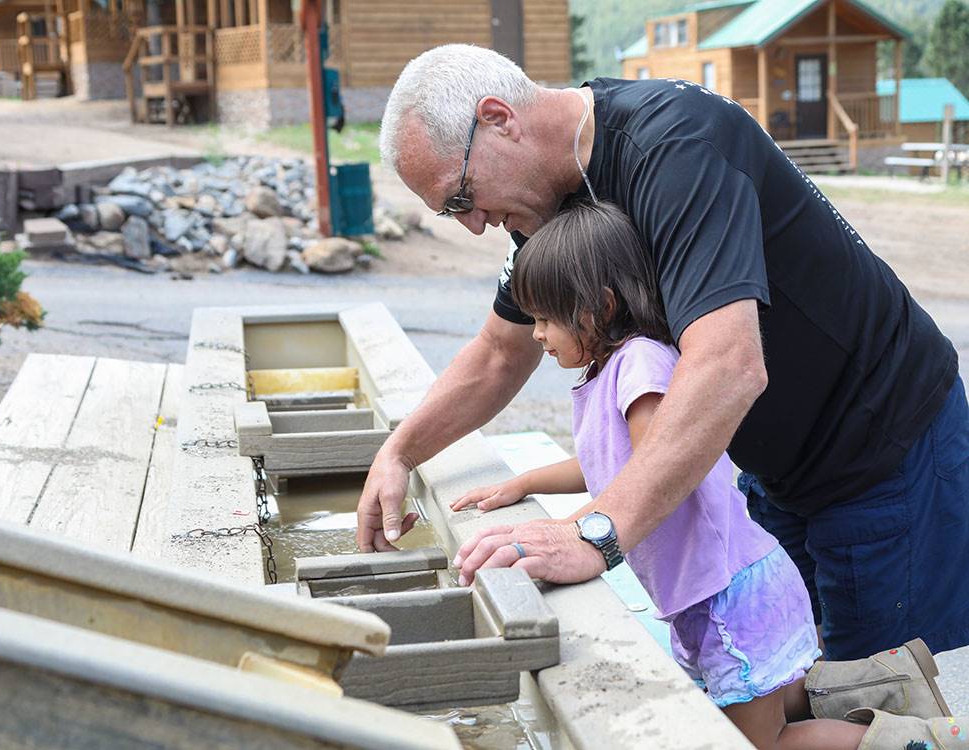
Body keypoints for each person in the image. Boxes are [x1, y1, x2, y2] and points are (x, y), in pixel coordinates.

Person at [359, 44, 969, 665]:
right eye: (448, 213)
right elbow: (498, 352)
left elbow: (727, 365)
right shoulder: (537, 206)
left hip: (887, 450)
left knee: (891, 696)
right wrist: (400, 452)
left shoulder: (678, 145)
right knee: (788, 681)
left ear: (498, 119)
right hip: (778, 471)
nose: (472, 226)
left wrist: (595, 533)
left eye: (460, 197)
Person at [448, 198, 948, 750]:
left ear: (598, 307)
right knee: (771, 713)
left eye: (545, 318)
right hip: (711, 594)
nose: (537, 334)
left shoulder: (638, 363)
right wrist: (524, 483)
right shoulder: (607, 370)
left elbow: (652, 469)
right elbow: (605, 466)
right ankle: (897, 696)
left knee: (764, 743)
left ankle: (923, 742)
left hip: (730, 598)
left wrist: (572, 531)